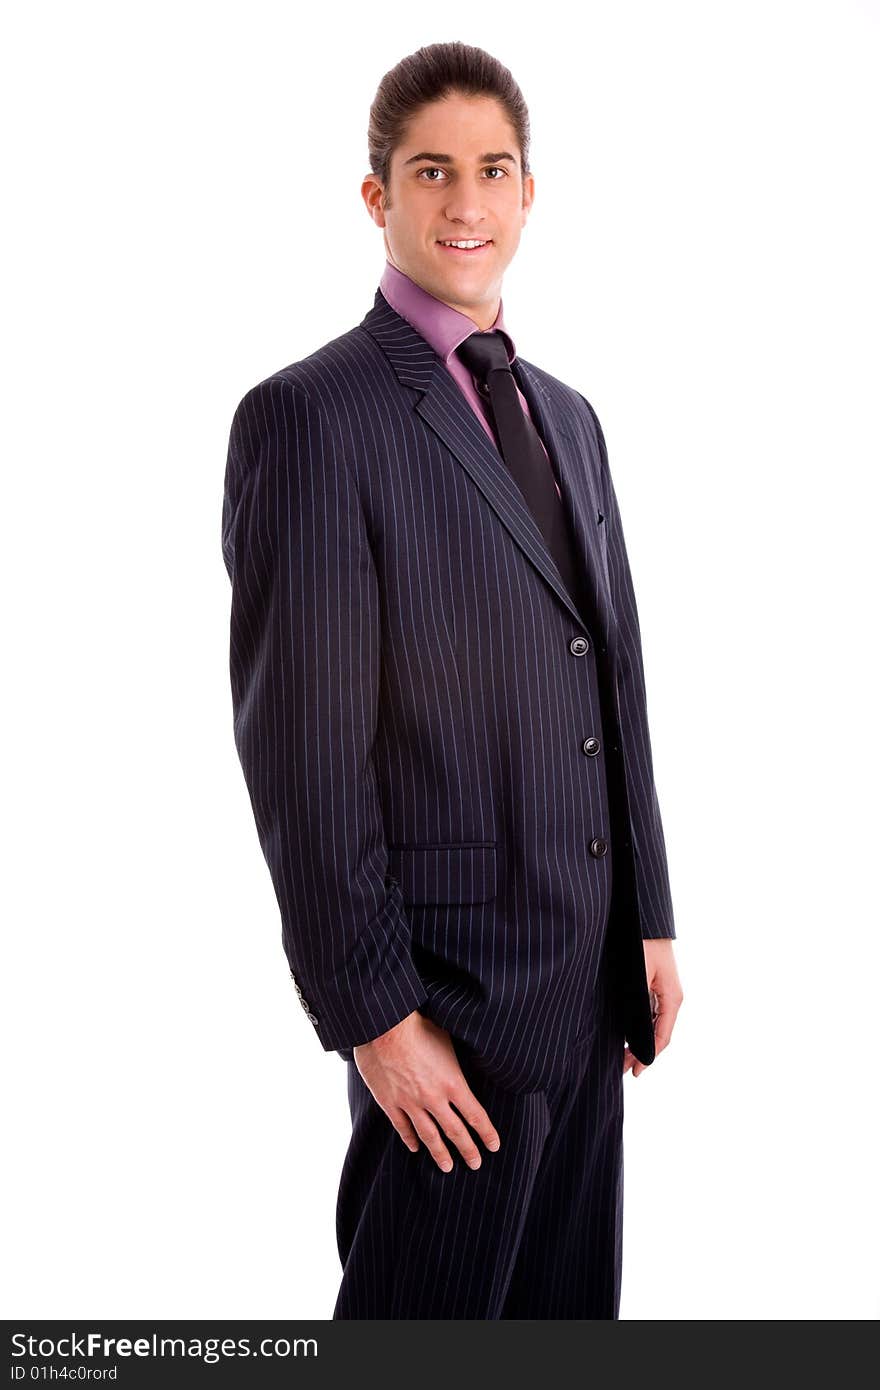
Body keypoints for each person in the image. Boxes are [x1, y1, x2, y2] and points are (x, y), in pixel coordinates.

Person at [221, 40, 683, 1319]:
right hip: (448, 995)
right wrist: (374, 1018)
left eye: (491, 171)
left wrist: (648, 908)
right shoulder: (312, 417)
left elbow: (614, 671)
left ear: (530, 191)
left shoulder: (566, 416)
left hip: (588, 988)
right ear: (378, 198)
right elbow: (302, 755)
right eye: (431, 173)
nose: (465, 204)